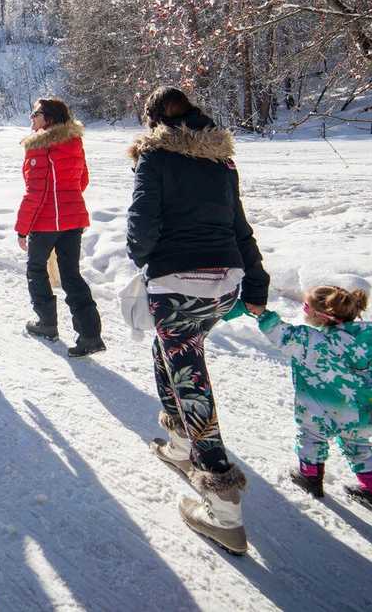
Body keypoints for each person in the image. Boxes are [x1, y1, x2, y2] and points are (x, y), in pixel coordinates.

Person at [127, 85, 269, 555]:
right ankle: (181, 445)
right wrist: (256, 281)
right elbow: (239, 224)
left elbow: (141, 225)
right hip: (224, 280)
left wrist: (141, 255)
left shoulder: (155, 157)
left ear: (154, 122)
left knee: (190, 375)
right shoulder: (220, 161)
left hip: (178, 281)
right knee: (170, 350)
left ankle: (224, 509)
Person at [229, 282, 372, 514]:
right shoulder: (366, 342)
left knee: (311, 438)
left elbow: (281, 333)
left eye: (306, 307)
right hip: (361, 410)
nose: (304, 311)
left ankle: (310, 478)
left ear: (322, 316)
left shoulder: (312, 341)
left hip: (321, 410)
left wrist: (262, 314)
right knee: (358, 445)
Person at [16, 98, 104, 358]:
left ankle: (47, 324)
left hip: (46, 222)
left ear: (49, 118)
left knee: (36, 268)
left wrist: (22, 228)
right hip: (73, 219)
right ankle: (90, 335)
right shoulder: (74, 141)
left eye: (36, 113)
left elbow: (35, 192)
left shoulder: (40, 145)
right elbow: (82, 179)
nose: (31, 118)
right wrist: (67, 201)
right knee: (71, 274)